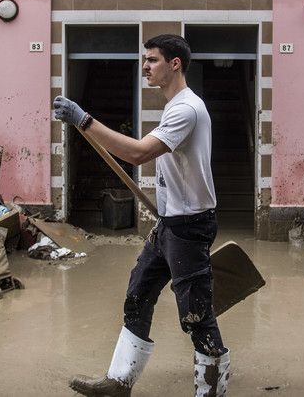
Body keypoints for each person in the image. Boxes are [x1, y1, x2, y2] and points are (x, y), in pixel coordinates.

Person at [53, 34, 230, 397]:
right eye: (144, 59)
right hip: (170, 224)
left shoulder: (186, 109)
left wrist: (83, 120)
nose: (144, 66)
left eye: (152, 60)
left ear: (174, 63)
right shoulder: (174, 106)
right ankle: (118, 383)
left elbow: (137, 154)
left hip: (190, 226)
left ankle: (211, 391)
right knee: (138, 294)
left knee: (196, 315)